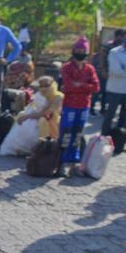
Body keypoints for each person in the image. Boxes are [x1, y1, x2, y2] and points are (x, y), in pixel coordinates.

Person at [56, 37, 100, 177]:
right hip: (69, 105)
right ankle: (61, 163)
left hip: (83, 106)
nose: (81, 53)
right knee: (66, 133)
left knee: (78, 134)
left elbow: (96, 87)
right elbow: (67, 86)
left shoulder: (89, 68)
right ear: (74, 51)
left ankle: (74, 164)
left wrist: (79, 85)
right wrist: (85, 86)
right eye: (79, 50)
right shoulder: (67, 67)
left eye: (83, 50)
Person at [0, 76, 63, 156]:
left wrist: (28, 116)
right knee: (20, 115)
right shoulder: (39, 94)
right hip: (35, 116)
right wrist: (25, 115)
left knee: (42, 122)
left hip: (51, 120)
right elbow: (32, 107)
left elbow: (48, 113)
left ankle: (41, 148)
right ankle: (18, 148)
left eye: (46, 85)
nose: (44, 88)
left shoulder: (58, 96)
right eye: (42, 86)